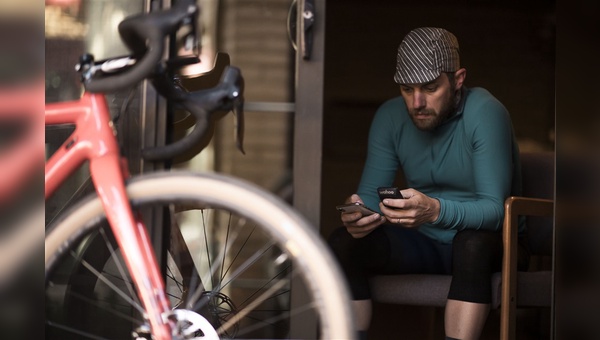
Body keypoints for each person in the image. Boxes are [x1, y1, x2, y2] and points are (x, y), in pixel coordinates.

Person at [327, 27, 530, 340]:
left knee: (471, 244)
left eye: (430, 88)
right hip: (426, 242)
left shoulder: (486, 112)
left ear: (458, 79)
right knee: (344, 243)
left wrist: (434, 211)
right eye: (407, 90)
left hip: (492, 242)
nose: (417, 102)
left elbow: (495, 211)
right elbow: (369, 193)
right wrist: (359, 214)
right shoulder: (389, 116)